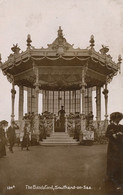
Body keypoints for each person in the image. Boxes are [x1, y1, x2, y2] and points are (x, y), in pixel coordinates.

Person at [105, 112, 123, 190]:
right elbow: (106, 134)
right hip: (112, 146)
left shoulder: (122, 126)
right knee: (112, 161)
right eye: (117, 119)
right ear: (113, 119)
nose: (118, 120)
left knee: (119, 160)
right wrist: (112, 135)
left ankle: (118, 178)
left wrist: (120, 134)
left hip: (120, 145)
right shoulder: (110, 126)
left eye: (119, 119)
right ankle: (110, 177)